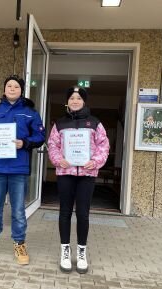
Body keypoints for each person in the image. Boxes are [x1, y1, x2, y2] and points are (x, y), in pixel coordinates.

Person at [0, 75, 45, 265]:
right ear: (4, 90)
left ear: (21, 90)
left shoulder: (30, 113)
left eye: (16, 86)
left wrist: (25, 143)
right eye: (9, 86)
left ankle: (19, 243)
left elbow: (40, 136)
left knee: (19, 210)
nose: (12, 88)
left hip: (18, 168)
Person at [47, 86, 110, 274]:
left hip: (87, 174)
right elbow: (52, 145)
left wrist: (95, 161)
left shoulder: (95, 123)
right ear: (67, 102)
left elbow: (103, 145)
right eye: (72, 98)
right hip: (65, 173)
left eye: (79, 98)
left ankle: (81, 252)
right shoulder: (59, 124)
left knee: (83, 214)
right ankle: (65, 251)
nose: (75, 101)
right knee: (65, 212)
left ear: (84, 102)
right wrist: (59, 160)